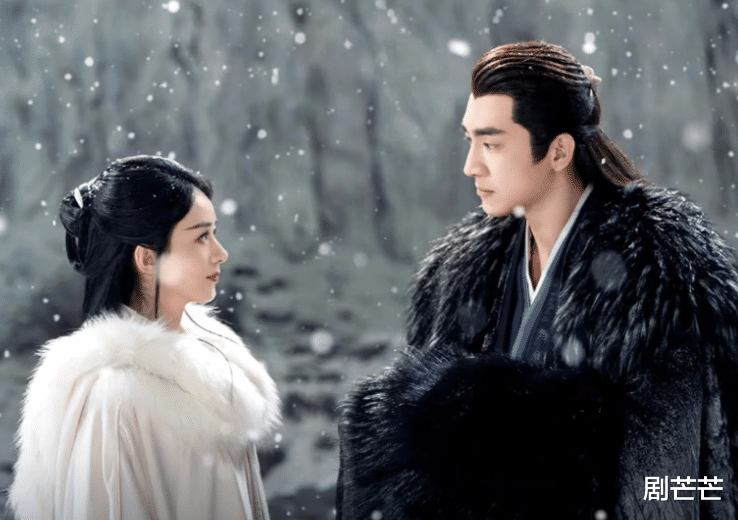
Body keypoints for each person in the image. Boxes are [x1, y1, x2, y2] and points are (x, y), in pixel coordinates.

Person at [336, 41, 738, 519]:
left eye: (491, 144)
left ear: (559, 151)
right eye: (469, 141)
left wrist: (593, 486)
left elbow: (706, 484)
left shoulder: (663, 272)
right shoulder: (456, 277)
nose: (471, 165)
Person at [7, 155, 280, 520]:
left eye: (214, 233)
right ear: (147, 259)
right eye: (202, 236)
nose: (220, 253)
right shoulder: (117, 399)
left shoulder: (215, 358)